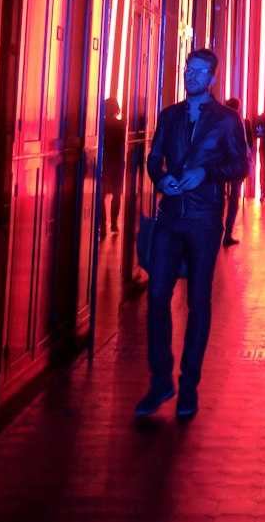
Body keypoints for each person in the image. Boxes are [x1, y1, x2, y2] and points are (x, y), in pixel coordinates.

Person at [135, 48, 248, 419]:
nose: (192, 76)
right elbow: (153, 159)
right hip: (170, 216)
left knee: (198, 301)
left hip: (203, 219)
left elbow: (241, 165)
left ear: (213, 78)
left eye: (200, 71)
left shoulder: (228, 121)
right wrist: (160, 177)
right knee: (156, 296)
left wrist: (206, 174)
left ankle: (189, 386)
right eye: (188, 69)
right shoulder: (169, 117)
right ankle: (160, 380)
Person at [222, 97, 250, 247]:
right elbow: (244, 143)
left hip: (220, 162)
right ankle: (227, 233)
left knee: (218, 197)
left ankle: (217, 231)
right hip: (235, 163)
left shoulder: (218, 120)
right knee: (234, 198)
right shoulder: (239, 121)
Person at [100, 96, 125, 236]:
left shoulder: (101, 124)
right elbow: (122, 144)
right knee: (116, 195)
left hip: (104, 162)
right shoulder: (121, 124)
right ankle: (114, 224)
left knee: (101, 196)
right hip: (117, 162)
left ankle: (102, 225)